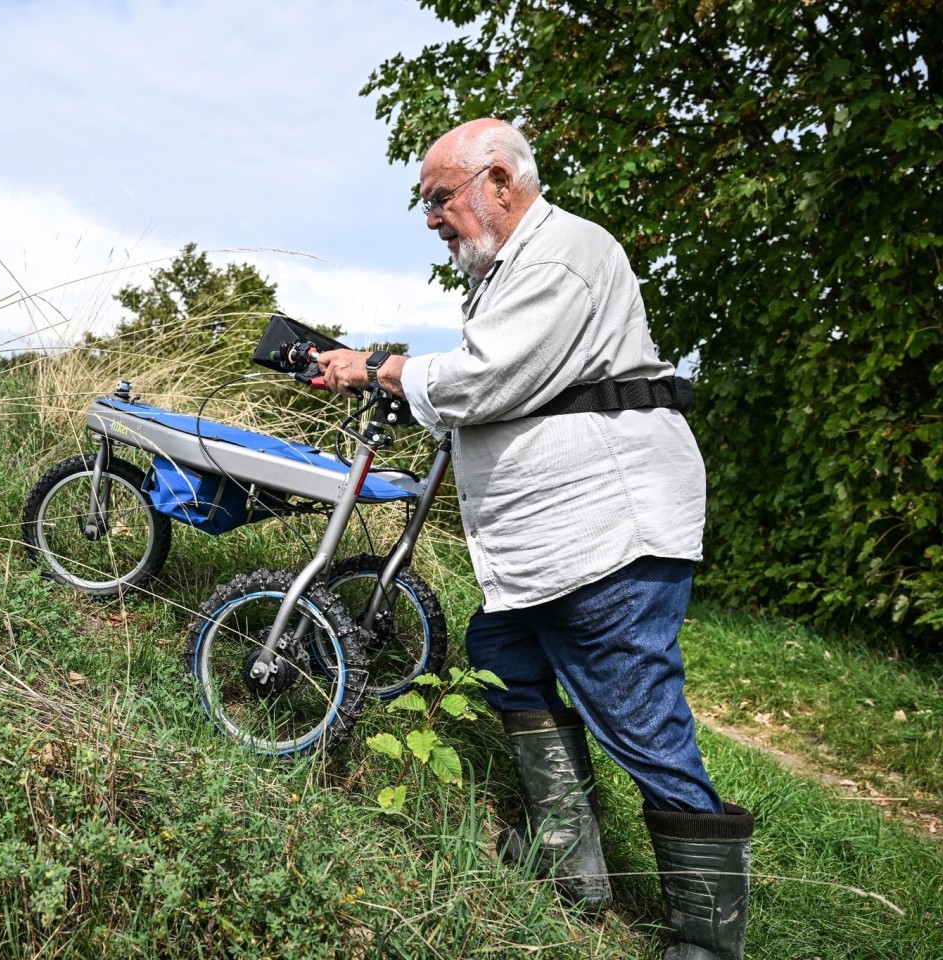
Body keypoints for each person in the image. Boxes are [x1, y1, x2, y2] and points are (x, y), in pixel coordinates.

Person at [317, 118, 753, 959]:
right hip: (561, 540)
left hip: (606, 535)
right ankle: (570, 861)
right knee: (501, 652)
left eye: (439, 199)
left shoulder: (559, 257)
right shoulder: (520, 267)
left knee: (639, 718)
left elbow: (488, 375)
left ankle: (706, 938)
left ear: (500, 184)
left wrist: (383, 368)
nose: (432, 218)